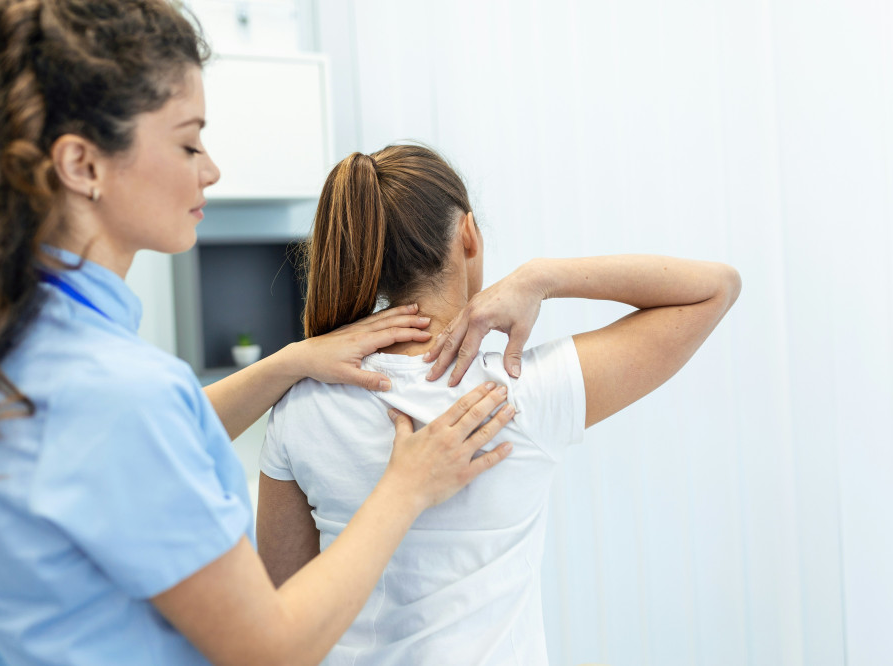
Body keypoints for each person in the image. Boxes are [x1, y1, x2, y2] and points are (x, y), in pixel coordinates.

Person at [0, 3, 517, 665]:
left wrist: (291, 362)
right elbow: (272, 649)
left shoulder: (22, 345)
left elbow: (137, 452)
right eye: (188, 143)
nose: (210, 169)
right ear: (82, 165)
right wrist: (407, 487)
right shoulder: (121, 393)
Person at [257, 144, 742, 664]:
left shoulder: (299, 405)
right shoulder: (520, 392)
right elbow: (716, 288)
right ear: (469, 235)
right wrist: (541, 278)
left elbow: (282, 613)